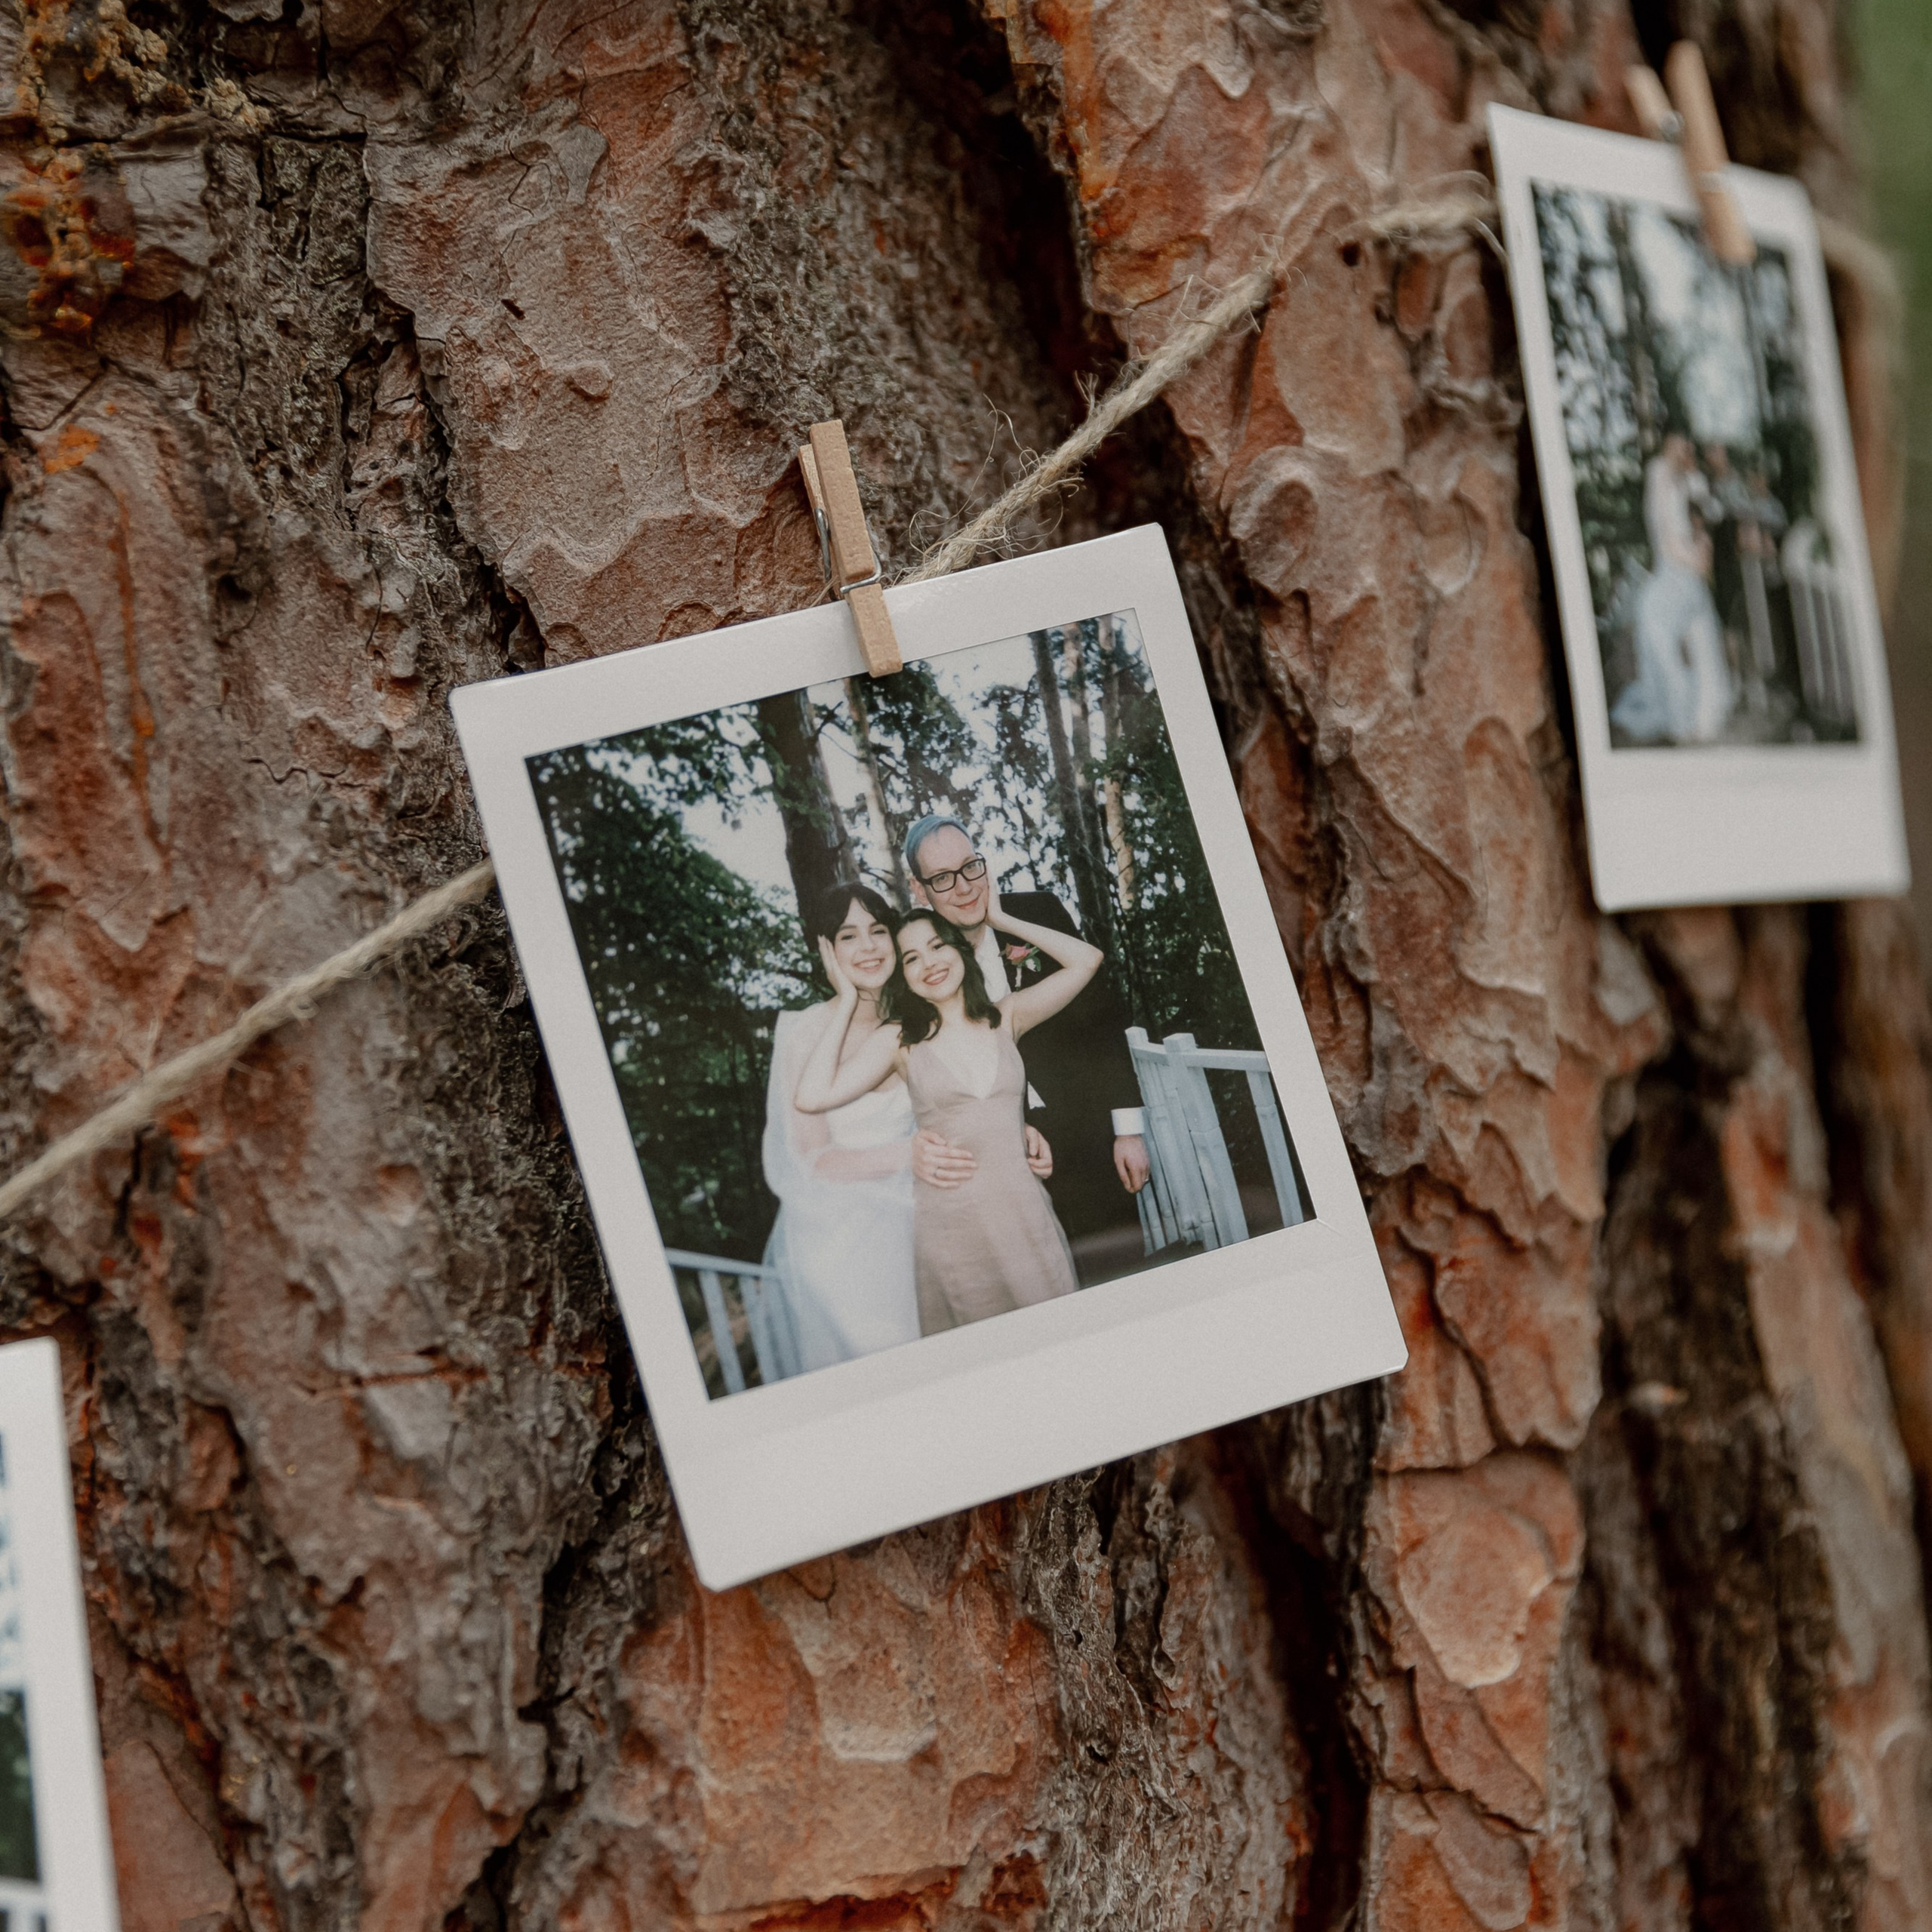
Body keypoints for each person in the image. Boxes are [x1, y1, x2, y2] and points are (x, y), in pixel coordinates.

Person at [762, 883, 1056, 1371]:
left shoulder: (914, 1020)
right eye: (848, 936)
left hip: (929, 1212)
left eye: (878, 931)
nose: (868, 947)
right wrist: (907, 1154)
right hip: (845, 1238)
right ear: (827, 949)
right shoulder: (804, 1031)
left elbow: (952, 1097)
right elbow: (809, 1159)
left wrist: (1011, 1130)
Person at [898, 814, 1149, 1273]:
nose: (964, 887)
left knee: (1122, 1273)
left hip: (1087, 1138)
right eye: (942, 878)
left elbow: (1102, 1018)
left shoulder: (1039, 914)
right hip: (998, 1167)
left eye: (970, 866)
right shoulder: (923, 963)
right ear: (919, 889)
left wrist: (1127, 1129)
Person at [1614, 434, 1734, 744]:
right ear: (1668, 447)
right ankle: (1682, 714)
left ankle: (1703, 718)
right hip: (1675, 568)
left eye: (1688, 448)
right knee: (1661, 635)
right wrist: (1689, 558)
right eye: (1680, 447)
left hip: (1690, 572)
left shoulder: (1691, 481)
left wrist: (1701, 548)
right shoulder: (1659, 472)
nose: (1685, 452)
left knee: (1702, 641)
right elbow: (1664, 532)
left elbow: (1711, 514)